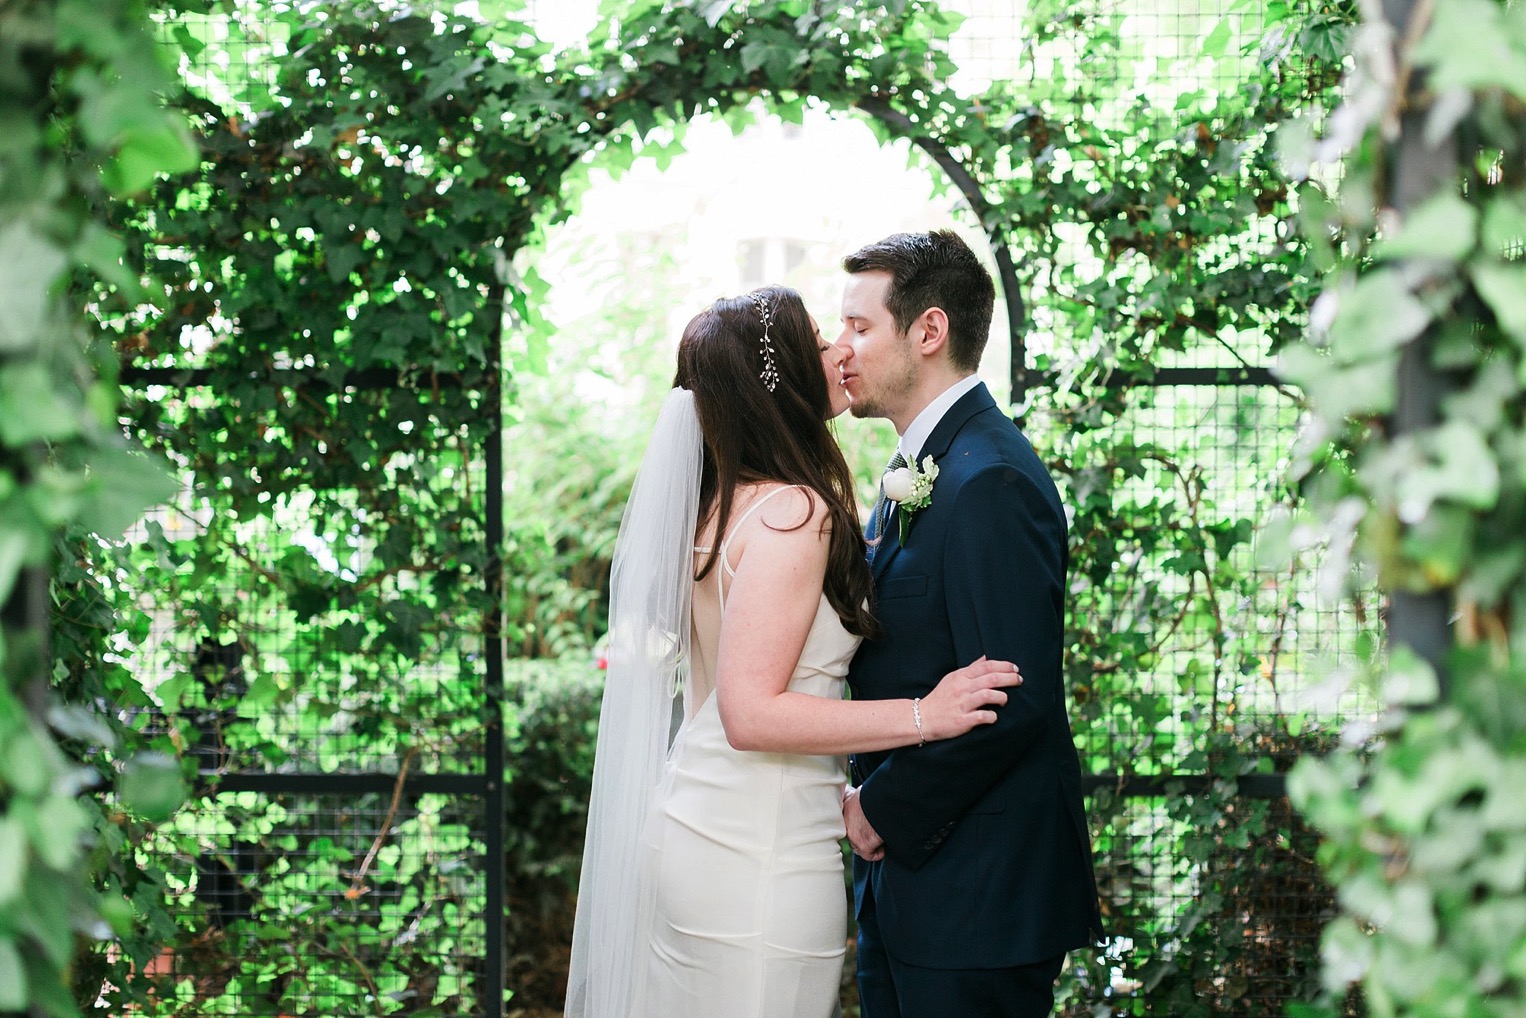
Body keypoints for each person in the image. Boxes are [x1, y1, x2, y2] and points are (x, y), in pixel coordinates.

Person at [564, 285, 1023, 1018]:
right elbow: (751, 712)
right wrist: (922, 716)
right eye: (819, 340)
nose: (841, 348)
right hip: (753, 854)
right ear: (776, 379)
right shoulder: (792, 512)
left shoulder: (719, 507)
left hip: (706, 821)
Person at [834, 230, 1104, 1018]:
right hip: (919, 889)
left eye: (859, 325)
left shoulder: (989, 480)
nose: (841, 347)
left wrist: (880, 809)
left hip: (978, 898)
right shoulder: (922, 471)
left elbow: (1009, 699)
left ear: (928, 331)